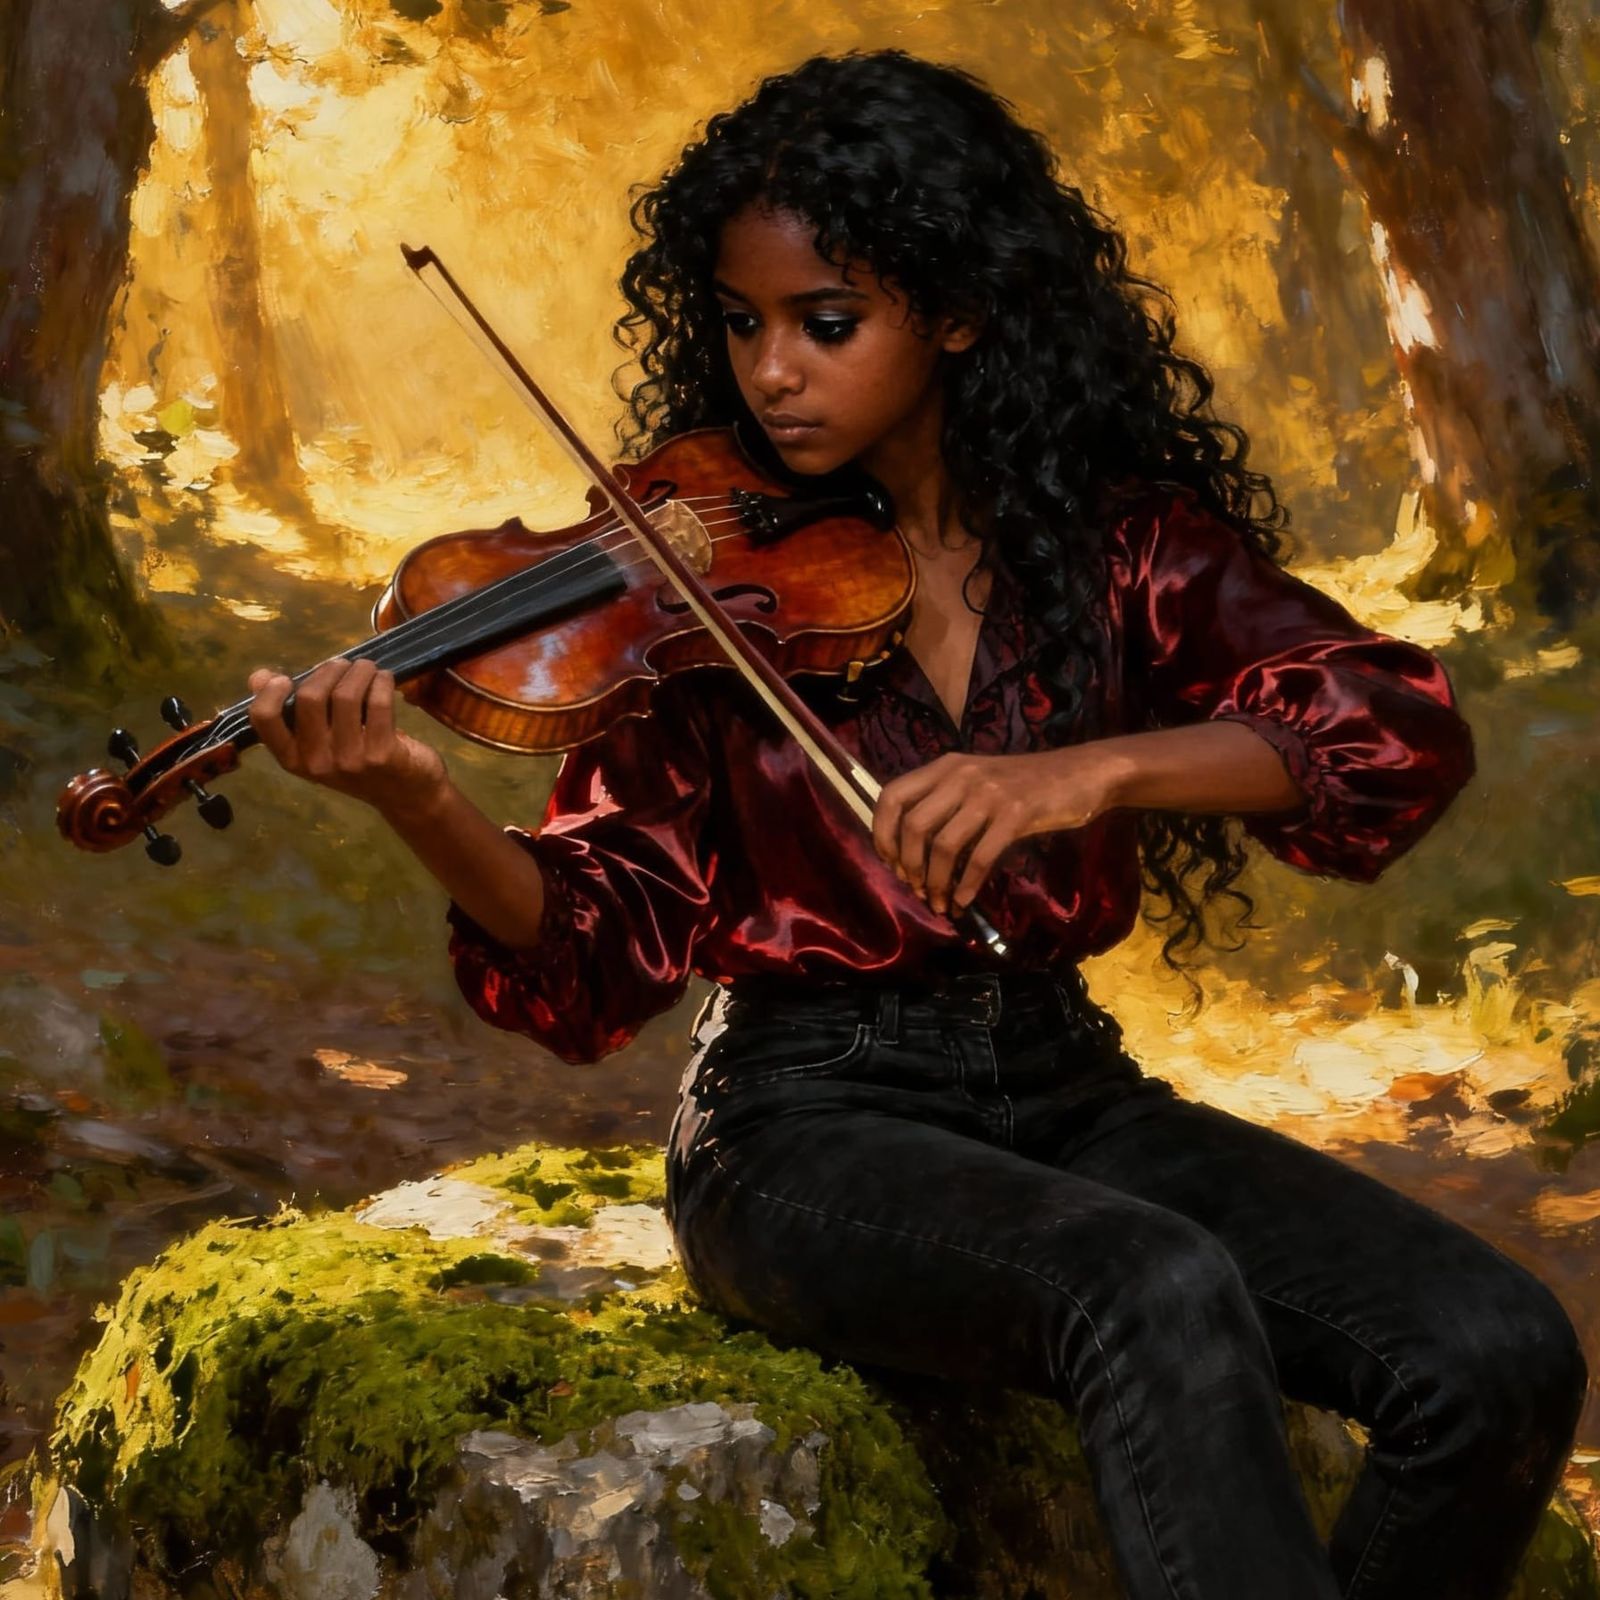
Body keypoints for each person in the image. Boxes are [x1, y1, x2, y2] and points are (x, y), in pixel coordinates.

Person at [246, 49, 1587, 1600]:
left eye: (827, 324)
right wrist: (416, 798)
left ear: (956, 311)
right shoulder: (681, 580)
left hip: (1065, 1086)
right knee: (1147, 1283)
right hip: (801, 1125)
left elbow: (1393, 728)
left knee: (1494, 1353)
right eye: (741, 325)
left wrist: (1094, 772)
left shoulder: (1116, 545)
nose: (771, 373)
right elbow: (600, 952)